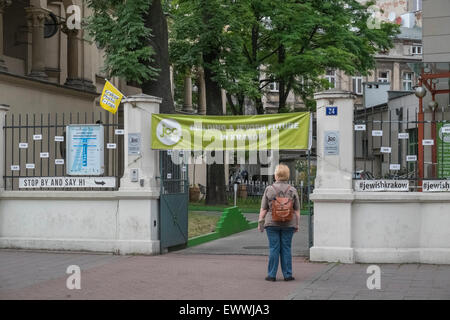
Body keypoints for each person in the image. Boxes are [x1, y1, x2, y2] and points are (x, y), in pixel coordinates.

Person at [258, 164, 300, 282]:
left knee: (273, 248)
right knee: (286, 248)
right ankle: (288, 275)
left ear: (276, 175)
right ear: (287, 175)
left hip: (272, 223)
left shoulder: (269, 189)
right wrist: (296, 224)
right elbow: (296, 210)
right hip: (288, 223)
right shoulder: (292, 190)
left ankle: (271, 275)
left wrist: (260, 223)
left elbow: (264, 209)